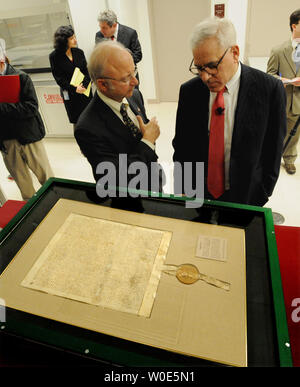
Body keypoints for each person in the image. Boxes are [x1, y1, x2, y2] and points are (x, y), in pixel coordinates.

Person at [172, 17, 286, 207]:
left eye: (212, 66)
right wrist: (183, 188)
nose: (205, 76)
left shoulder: (269, 89)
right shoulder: (190, 91)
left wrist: (262, 193)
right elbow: (182, 146)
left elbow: (273, 150)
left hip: (247, 197)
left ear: (234, 52)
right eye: (199, 68)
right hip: (198, 195)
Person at [74, 40, 161, 199]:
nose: (136, 82)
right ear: (103, 85)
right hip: (129, 199)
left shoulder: (134, 95)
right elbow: (114, 179)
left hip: (154, 182)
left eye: (134, 72)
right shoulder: (87, 128)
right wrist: (148, 141)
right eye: (126, 78)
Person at [0, 38, 54, 201]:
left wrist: (2, 107)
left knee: (47, 179)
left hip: (29, 137)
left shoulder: (21, 78)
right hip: (7, 142)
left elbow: (31, 107)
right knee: (24, 186)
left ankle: (55, 203)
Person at [267, 9, 300, 175]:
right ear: (294, 26)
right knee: (276, 131)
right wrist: (283, 81)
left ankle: (290, 159)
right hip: (282, 98)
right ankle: (271, 159)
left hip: (299, 101)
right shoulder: (278, 51)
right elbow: (269, 74)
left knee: (295, 134)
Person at [49, 25, 92, 126]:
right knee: (78, 122)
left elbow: (87, 72)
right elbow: (59, 78)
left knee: (90, 118)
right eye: (72, 38)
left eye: (74, 37)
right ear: (64, 41)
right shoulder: (54, 56)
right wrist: (74, 88)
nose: (75, 40)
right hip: (70, 93)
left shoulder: (79, 52)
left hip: (85, 91)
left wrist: (84, 86)